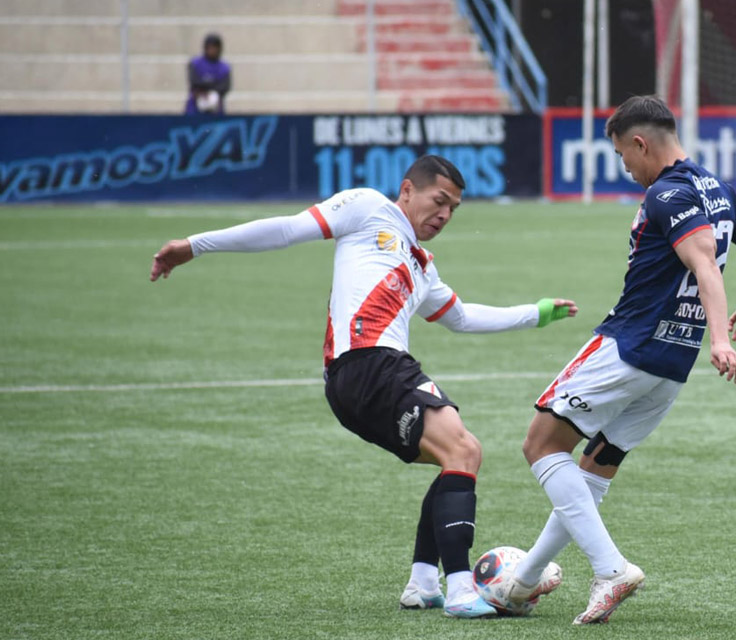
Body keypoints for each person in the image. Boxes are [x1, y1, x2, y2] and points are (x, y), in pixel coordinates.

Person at [149, 155, 577, 617]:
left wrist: (535, 313)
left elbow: (462, 317)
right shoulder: (369, 207)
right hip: (368, 363)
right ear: (408, 189)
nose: (445, 215)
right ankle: (459, 589)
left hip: (361, 378)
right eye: (439, 201)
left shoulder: (422, 265)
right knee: (463, 452)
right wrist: (196, 245)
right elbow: (288, 229)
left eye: (454, 209)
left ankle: (423, 582)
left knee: (459, 455)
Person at [492, 95, 736, 624]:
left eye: (624, 157)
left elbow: (705, 266)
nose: (626, 169)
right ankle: (524, 581)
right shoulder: (718, 189)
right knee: (594, 469)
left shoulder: (668, 194)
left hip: (629, 344)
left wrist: (722, 339)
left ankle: (610, 569)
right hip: (673, 362)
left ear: (640, 142)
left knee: (540, 444)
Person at [186, 32, 232, 115]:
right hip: (195, 109)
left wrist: (211, 90)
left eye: (215, 48)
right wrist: (203, 91)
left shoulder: (224, 67)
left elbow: (225, 87)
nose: (212, 50)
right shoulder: (196, 63)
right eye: (210, 47)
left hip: (216, 110)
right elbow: (194, 82)